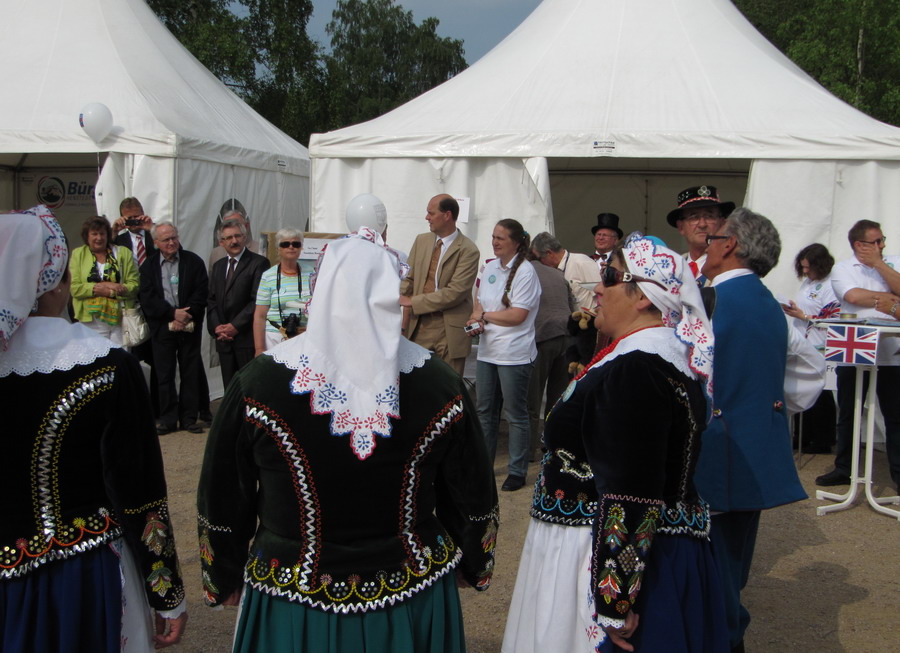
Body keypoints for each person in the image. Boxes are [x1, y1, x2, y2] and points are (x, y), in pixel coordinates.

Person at [197, 228, 498, 652]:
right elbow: (472, 489)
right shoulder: (439, 382)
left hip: (295, 592)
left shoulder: (259, 382)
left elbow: (224, 490)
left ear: (319, 288)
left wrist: (221, 574)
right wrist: (474, 562)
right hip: (411, 588)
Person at [0, 206, 187, 651]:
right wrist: (165, 592)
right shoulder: (107, 364)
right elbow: (139, 485)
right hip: (84, 574)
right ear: (59, 282)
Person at [695, 208, 807, 653]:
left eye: (714, 237)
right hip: (755, 448)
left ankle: (725, 639)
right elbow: (807, 374)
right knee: (733, 558)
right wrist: (763, 409)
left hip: (714, 450)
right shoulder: (772, 305)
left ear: (731, 245)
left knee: (712, 565)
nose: (706, 244)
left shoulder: (710, 302)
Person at [816, 220, 900, 490]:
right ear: (859, 245)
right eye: (876, 241)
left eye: (882, 240)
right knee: (850, 411)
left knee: (895, 414)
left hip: (890, 352)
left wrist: (879, 265)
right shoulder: (843, 268)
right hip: (855, 347)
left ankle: (898, 473)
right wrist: (889, 298)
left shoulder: (893, 263)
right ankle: (845, 468)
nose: (882, 245)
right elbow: (852, 296)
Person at [466, 219, 541, 492]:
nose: (495, 242)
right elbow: (479, 302)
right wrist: (475, 319)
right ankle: (484, 467)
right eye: (493, 236)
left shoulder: (526, 272)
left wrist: (485, 316)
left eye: (501, 238)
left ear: (517, 243)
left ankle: (517, 471)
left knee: (515, 413)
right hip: (489, 351)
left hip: (514, 353)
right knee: (485, 411)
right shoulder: (489, 267)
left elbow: (518, 315)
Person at [139, 221, 209, 435]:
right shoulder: (148, 266)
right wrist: (172, 314)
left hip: (189, 325)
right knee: (164, 375)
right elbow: (147, 298)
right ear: (156, 242)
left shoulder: (193, 261)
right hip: (162, 327)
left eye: (174, 237)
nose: (171, 242)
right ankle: (168, 420)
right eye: (166, 239)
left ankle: (189, 418)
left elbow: (201, 291)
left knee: (190, 372)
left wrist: (185, 315)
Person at [400, 194, 480, 375]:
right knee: (417, 382)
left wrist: (413, 301)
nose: (426, 217)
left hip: (449, 330)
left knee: (448, 384)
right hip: (419, 325)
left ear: (447, 215)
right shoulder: (421, 241)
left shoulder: (468, 250)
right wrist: (390, 296)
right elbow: (408, 279)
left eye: (431, 213)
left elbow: (455, 293)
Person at [782, 243, 840, 453]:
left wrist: (804, 316)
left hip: (821, 342)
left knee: (821, 391)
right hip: (804, 340)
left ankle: (823, 439)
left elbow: (833, 317)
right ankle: (803, 435)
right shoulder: (808, 282)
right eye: (803, 267)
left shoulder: (831, 285)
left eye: (808, 267)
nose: (805, 271)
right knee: (802, 387)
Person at [524, 248, 576, 461]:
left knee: (532, 398)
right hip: (566, 334)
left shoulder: (524, 272)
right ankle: (554, 445)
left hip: (542, 336)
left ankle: (527, 451)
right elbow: (571, 304)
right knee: (558, 397)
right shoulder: (557, 273)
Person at [207, 218, 269, 388]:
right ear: (221, 242)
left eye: (237, 236)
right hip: (224, 340)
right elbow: (211, 300)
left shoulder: (259, 263)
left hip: (246, 339)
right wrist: (217, 328)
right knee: (230, 389)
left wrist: (235, 326)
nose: (234, 241)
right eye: (229, 238)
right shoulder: (218, 266)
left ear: (244, 237)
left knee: (249, 388)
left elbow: (257, 301)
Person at [69, 215, 139, 345]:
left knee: (119, 357)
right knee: (97, 357)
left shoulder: (123, 253)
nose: (99, 238)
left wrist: (112, 292)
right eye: (94, 234)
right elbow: (74, 288)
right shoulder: (78, 254)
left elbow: (134, 285)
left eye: (102, 233)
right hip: (91, 320)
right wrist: (103, 286)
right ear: (87, 236)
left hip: (120, 319)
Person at [253, 227, 312, 354]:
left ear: (301, 248)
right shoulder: (268, 276)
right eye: (285, 244)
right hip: (274, 337)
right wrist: (259, 348)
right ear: (278, 248)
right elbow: (260, 315)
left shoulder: (311, 274)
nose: (291, 247)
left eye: (296, 244)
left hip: (304, 335)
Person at [666, 185, 735, 282]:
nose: (702, 224)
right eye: (694, 217)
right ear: (681, 227)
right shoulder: (669, 269)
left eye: (709, 216)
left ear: (722, 223)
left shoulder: (730, 270)